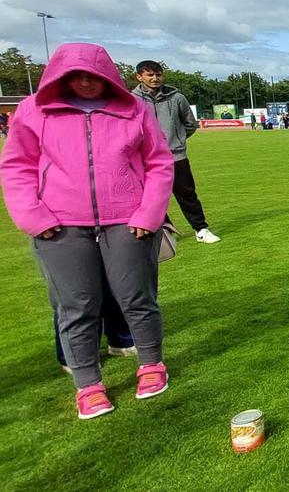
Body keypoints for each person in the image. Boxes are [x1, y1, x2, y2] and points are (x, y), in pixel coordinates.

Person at [0, 43, 174, 419]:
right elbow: (17, 167)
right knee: (76, 305)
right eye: (74, 75)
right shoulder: (34, 110)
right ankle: (88, 384)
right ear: (59, 76)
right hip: (60, 225)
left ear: (107, 75)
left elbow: (159, 162)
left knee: (137, 298)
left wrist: (148, 214)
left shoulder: (134, 109)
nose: (84, 81)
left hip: (127, 220)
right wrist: (34, 217)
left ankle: (151, 364)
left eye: (93, 75)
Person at [132, 61, 222, 244]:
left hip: (175, 156)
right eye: (150, 75)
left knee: (187, 193)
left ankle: (201, 229)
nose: (155, 78)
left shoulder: (177, 98)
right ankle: (165, 228)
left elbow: (190, 124)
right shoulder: (132, 100)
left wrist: (176, 140)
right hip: (145, 158)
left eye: (158, 74)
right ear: (139, 77)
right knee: (151, 195)